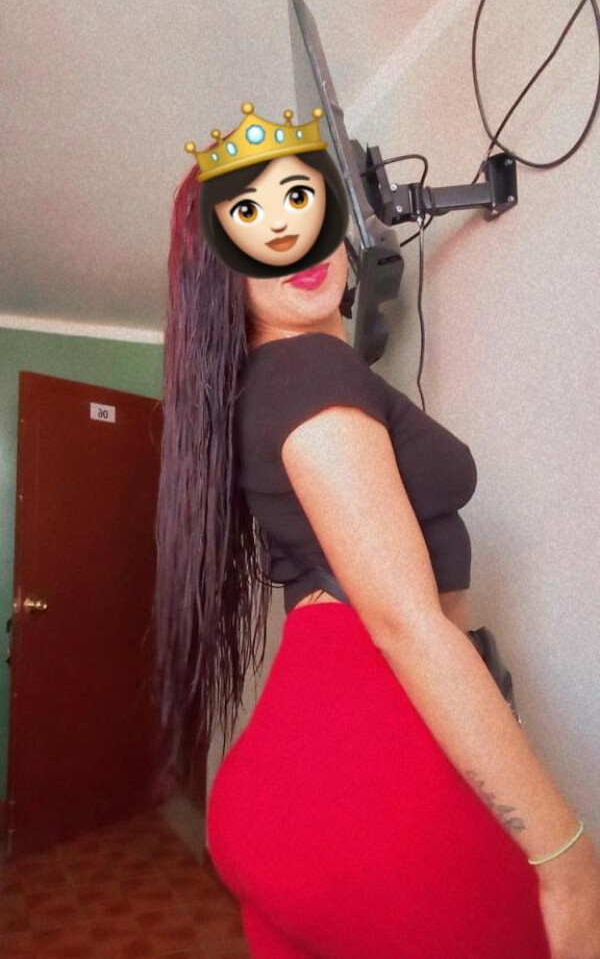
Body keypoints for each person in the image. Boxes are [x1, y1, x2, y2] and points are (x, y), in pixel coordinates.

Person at [152, 103, 600, 959]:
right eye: (249, 216)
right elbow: (402, 620)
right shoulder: (311, 369)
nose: (287, 231)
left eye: (300, 198)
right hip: (367, 784)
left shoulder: (264, 387)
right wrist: (567, 860)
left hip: (288, 795)